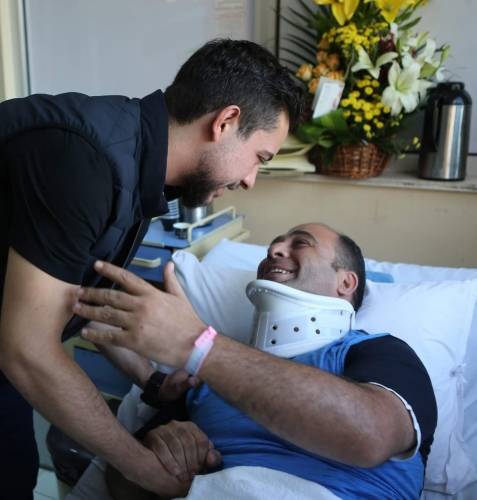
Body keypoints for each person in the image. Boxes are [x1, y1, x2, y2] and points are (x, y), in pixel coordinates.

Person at [0, 38, 304, 499]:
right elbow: (27, 349)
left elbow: (80, 295)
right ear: (225, 122)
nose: (249, 180)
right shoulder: (82, 161)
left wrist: (152, 379)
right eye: (259, 158)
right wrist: (141, 465)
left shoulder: (138, 165)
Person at [73, 223, 438, 499]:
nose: (275, 249)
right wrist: (162, 455)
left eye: (300, 243)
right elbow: (122, 482)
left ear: (346, 283)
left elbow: (370, 437)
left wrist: (200, 345)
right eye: (275, 245)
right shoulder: (207, 376)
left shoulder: (380, 352)